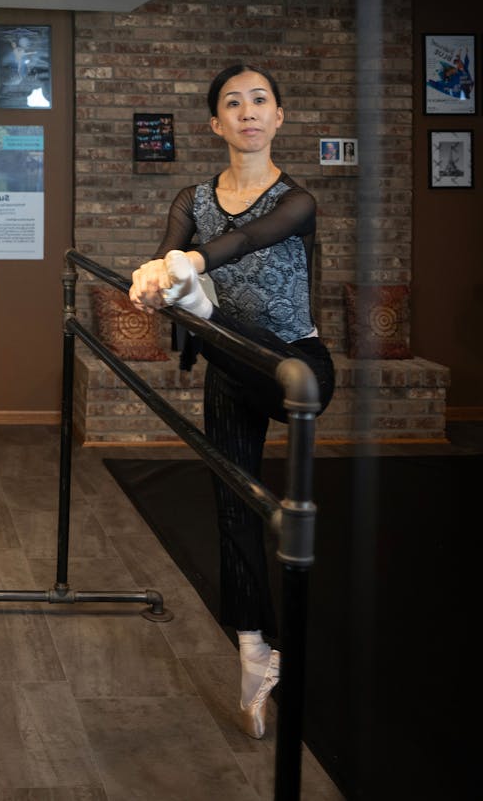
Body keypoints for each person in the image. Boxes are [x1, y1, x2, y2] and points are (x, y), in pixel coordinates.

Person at [128, 63, 335, 740]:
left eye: (260, 101)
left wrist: (188, 269)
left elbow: (246, 239)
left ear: (278, 116)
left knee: (205, 308)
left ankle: (199, 310)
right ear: (216, 123)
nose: (248, 112)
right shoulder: (193, 197)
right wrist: (153, 278)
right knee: (233, 501)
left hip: (293, 367)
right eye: (232, 104)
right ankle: (254, 647)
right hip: (228, 362)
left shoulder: (295, 199)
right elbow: (166, 252)